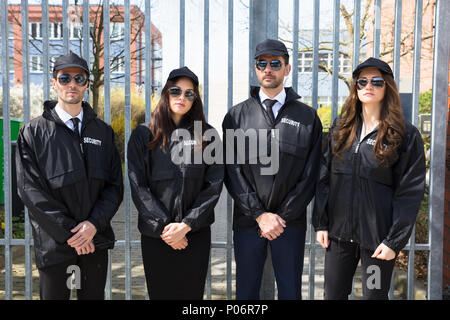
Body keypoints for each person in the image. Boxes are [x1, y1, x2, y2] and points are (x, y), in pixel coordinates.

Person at [312, 57, 426, 300]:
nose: (368, 86)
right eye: (362, 81)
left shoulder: (404, 135)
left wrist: (393, 241)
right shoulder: (340, 129)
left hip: (377, 244)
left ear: (388, 87)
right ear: (355, 88)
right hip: (339, 238)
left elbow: (409, 192)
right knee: (333, 295)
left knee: (374, 296)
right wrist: (321, 223)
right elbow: (324, 178)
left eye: (376, 81)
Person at [16, 51, 124, 300]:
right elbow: (29, 190)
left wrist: (92, 225)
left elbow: (114, 187)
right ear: (54, 82)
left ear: (87, 84)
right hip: (55, 245)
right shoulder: (33, 132)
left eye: (79, 78)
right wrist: (71, 233)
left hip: (94, 242)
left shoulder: (103, 132)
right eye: (65, 78)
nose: (72, 84)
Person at [222, 39, 323, 300]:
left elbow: (311, 174)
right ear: (255, 69)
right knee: (246, 293)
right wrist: (259, 215)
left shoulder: (307, 117)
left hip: (289, 223)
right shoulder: (236, 116)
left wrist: (280, 218)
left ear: (287, 69)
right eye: (262, 63)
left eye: (275, 63)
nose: (268, 69)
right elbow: (232, 171)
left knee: (290, 292)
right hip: (248, 222)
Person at [127, 66, 224, 300]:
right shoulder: (143, 135)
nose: (182, 97)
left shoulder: (208, 135)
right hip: (157, 236)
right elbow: (138, 186)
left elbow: (214, 185)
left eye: (189, 93)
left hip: (195, 234)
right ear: (166, 93)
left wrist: (186, 225)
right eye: (176, 91)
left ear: (195, 99)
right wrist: (166, 228)